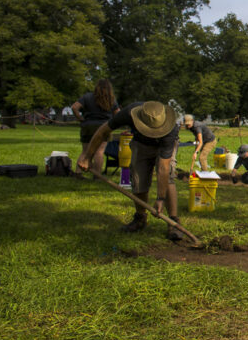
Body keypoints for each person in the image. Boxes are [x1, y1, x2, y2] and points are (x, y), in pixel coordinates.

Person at [77, 101, 183, 241]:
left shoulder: (171, 129)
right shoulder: (128, 113)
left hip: (163, 146)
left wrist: (160, 198)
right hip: (140, 144)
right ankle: (140, 218)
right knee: (138, 179)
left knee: (168, 177)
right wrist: (87, 157)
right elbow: (103, 131)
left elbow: (163, 167)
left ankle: (173, 222)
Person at [71, 79, 120, 174]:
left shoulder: (87, 97)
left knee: (85, 151)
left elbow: (74, 107)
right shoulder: (112, 99)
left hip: (88, 125)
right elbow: (118, 113)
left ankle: (78, 173)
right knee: (99, 151)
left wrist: (80, 118)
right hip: (104, 127)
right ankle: (97, 175)